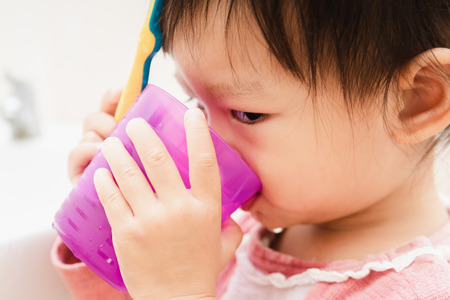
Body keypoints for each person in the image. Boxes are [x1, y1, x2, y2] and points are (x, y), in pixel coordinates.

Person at [52, 1, 450, 299]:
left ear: (414, 102)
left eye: (247, 113)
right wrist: (111, 224)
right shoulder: (239, 229)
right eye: (197, 104)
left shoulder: (421, 289)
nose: (207, 138)